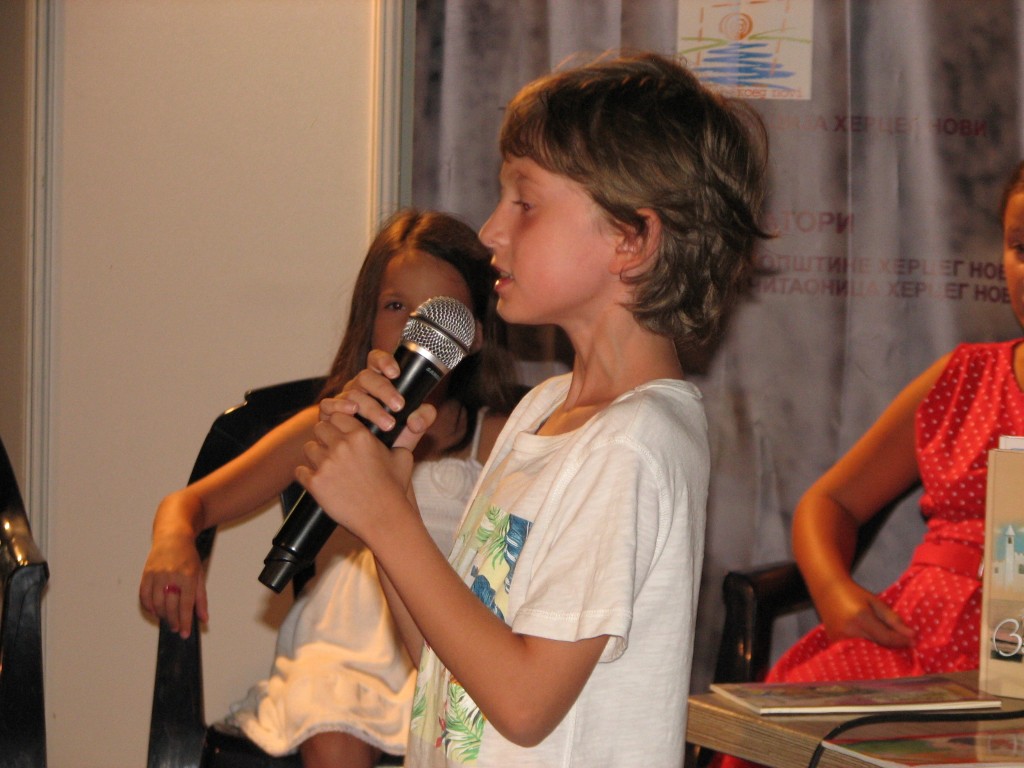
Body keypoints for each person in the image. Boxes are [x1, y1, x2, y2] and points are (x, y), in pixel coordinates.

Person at [297, 52, 769, 767]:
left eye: (525, 202)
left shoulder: (633, 443)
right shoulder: (544, 409)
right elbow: (450, 668)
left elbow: (523, 705)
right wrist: (386, 507)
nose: (490, 230)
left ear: (631, 239)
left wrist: (390, 522)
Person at [139, 208, 520, 768]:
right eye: (397, 308)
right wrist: (174, 540)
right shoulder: (333, 423)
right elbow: (191, 502)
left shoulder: (503, 436)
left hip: (438, 646)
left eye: (437, 313)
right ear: (368, 318)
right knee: (332, 709)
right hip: (342, 646)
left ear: (473, 334)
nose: (413, 330)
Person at [716, 160, 1024, 768]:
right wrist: (835, 594)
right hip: (910, 646)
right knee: (776, 745)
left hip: (1007, 680)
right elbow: (829, 502)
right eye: (1022, 247)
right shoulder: (966, 377)